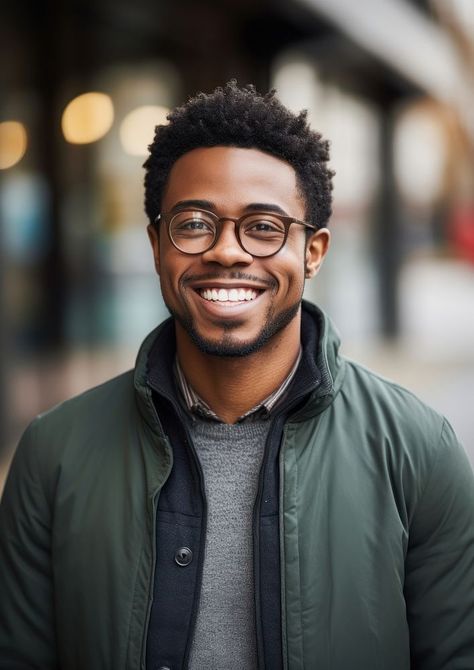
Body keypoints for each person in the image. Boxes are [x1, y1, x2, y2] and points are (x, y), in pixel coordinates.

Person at [1, 81, 473, 670]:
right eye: (195, 223)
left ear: (314, 252)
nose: (227, 251)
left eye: (264, 227)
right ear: (156, 246)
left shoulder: (420, 451)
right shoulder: (53, 454)